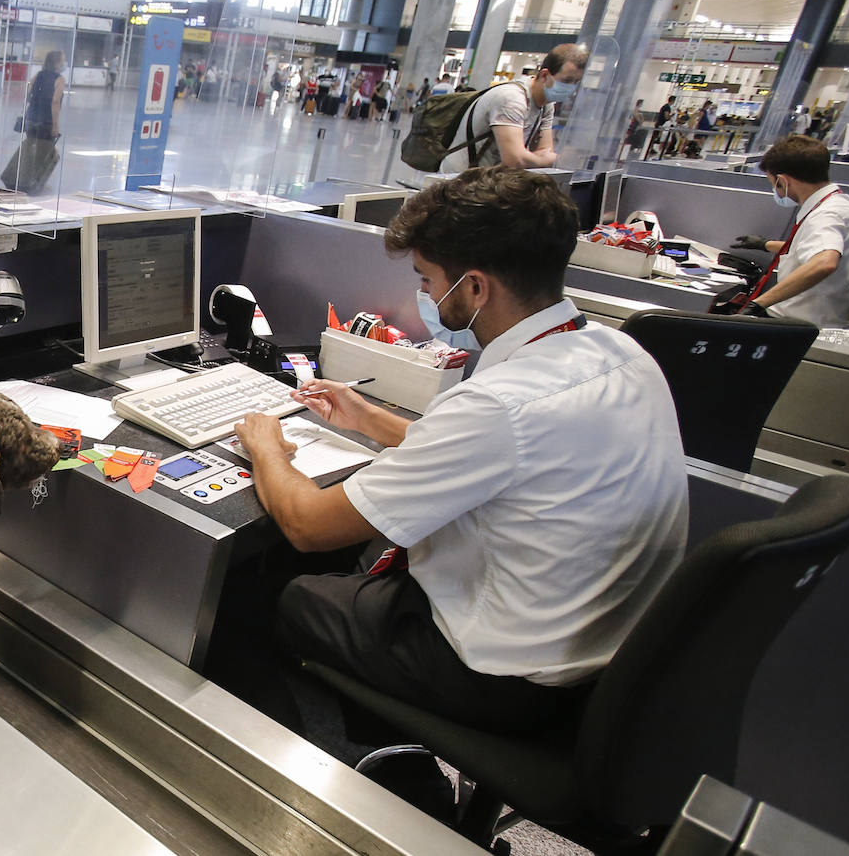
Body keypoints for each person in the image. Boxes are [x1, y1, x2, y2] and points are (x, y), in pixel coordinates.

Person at [229, 165, 688, 741]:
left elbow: (307, 525)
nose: (424, 293)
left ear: (474, 287)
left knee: (290, 591)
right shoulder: (622, 354)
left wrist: (267, 448)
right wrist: (368, 418)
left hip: (508, 677)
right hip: (605, 654)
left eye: (427, 279)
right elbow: (507, 458)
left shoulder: (500, 403)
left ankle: (364, 767)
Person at [730, 135, 849, 329]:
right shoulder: (844, 205)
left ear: (782, 181)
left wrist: (759, 304)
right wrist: (765, 244)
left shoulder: (826, 214)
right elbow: (817, 248)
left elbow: (824, 262)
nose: (775, 191)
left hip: (801, 327)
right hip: (819, 319)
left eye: (773, 184)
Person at [438, 43, 587, 173]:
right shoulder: (511, 98)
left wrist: (534, 158)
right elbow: (515, 160)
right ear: (544, 75)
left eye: (576, 82)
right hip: (457, 181)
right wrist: (554, 159)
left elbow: (544, 151)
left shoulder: (546, 104)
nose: (571, 87)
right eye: (567, 80)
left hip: (487, 181)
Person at [23, 49, 66, 141]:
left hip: (31, 118)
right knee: (46, 148)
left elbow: (27, 91)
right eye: (63, 61)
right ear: (57, 63)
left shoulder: (38, 75)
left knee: (30, 144)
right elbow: (55, 101)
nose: (64, 64)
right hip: (46, 121)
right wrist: (55, 125)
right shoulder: (60, 79)